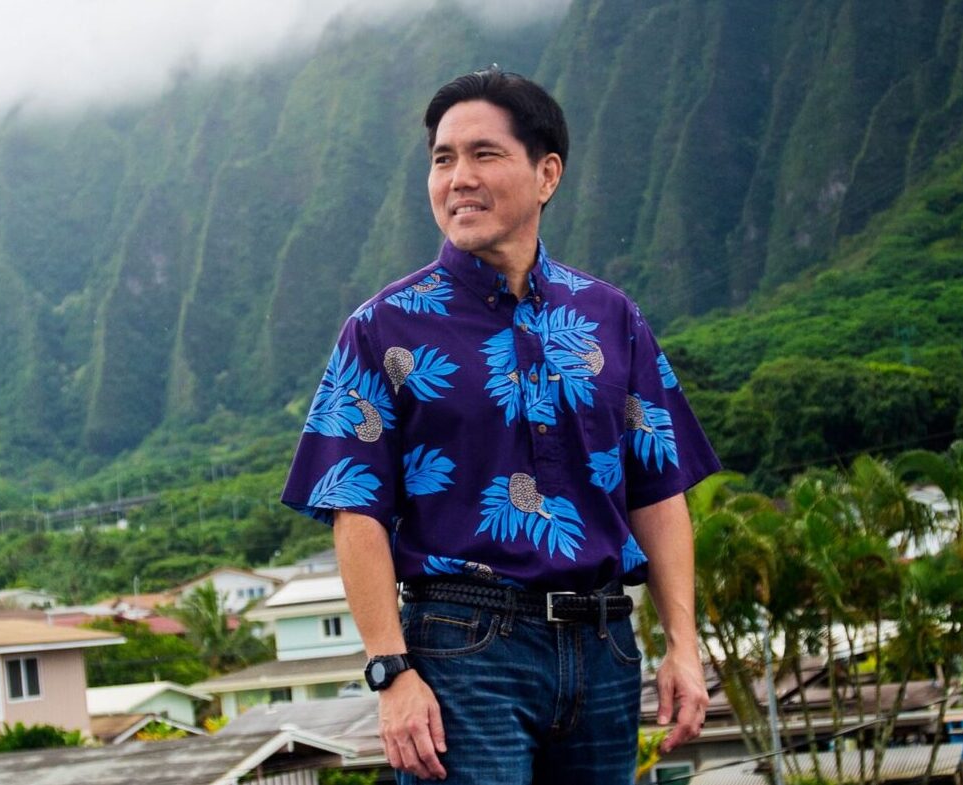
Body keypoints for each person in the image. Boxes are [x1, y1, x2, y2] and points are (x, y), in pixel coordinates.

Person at [282, 68, 720, 784]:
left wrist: (683, 644)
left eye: (483, 154)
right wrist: (390, 671)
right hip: (463, 647)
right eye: (442, 158)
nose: (458, 177)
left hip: (604, 645)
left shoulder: (612, 318)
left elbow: (657, 488)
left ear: (546, 174)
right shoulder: (382, 328)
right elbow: (354, 510)